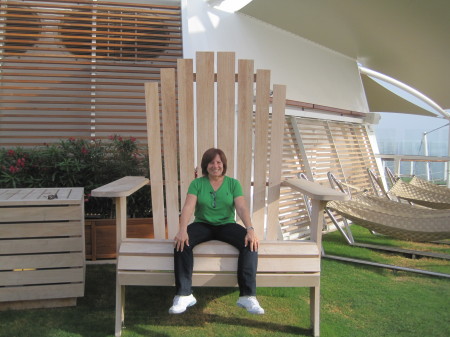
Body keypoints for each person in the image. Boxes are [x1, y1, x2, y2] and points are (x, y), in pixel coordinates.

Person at [169, 148, 264, 315]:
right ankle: (184, 294)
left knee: (250, 243)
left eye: (219, 162)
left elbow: (241, 207)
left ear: (223, 165)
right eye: (211, 162)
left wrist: (250, 229)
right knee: (181, 242)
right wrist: (182, 230)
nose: (215, 166)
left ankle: (247, 296)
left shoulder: (233, 184)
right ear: (205, 165)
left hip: (226, 224)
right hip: (203, 224)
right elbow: (188, 207)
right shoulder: (197, 183)